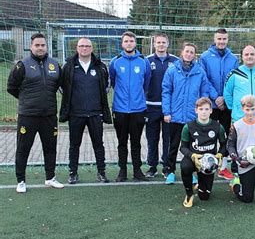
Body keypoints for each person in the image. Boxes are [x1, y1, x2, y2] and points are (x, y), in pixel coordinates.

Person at [7, 33, 64, 193]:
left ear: (46, 47)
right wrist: (26, 99)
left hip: (49, 115)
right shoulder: (22, 65)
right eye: (37, 45)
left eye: (43, 45)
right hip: (28, 116)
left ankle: (50, 178)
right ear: (31, 47)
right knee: (23, 148)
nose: (40, 48)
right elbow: (11, 87)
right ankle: (21, 181)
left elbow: (60, 86)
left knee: (50, 148)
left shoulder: (55, 65)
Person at [59, 37, 112, 184]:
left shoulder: (100, 66)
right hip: (76, 113)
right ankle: (73, 173)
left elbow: (106, 86)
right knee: (74, 144)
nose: (84, 48)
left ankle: (101, 172)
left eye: (87, 46)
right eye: (81, 46)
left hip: (95, 112)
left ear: (91, 48)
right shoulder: (69, 66)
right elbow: (62, 87)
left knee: (98, 144)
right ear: (76, 48)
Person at [162, 42, 214, 185]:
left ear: (194, 55)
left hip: (192, 118)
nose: (189, 54)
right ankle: (170, 171)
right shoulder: (172, 70)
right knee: (173, 145)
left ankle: (191, 173)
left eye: (192, 52)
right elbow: (166, 91)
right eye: (187, 51)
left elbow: (204, 93)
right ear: (182, 52)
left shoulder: (200, 71)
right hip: (175, 116)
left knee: (192, 148)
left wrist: (201, 111)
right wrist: (167, 112)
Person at [109, 31, 151, 182]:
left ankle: (137, 170)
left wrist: (137, 97)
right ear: (122, 44)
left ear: (135, 43)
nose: (129, 43)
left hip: (138, 109)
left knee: (136, 141)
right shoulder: (115, 61)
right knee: (121, 142)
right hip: (120, 109)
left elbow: (146, 82)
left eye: (131, 41)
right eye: (126, 41)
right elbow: (113, 82)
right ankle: (122, 170)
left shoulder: (143, 61)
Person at [200, 28, 239, 180]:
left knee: (225, 136)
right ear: (214, 39)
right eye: (219, 39)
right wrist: (216, 97)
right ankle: (205, 164)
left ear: (227, 40)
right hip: (211, 104)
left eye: (224, 39)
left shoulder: (233, 58)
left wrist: (225, 98)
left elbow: (233, 80)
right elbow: (205, 79)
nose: (221, 41)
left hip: (226, 104)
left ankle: (223, 168)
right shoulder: (204, 57)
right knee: (208, 135)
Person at [180, 97, 227, 208]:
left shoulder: (218, 127)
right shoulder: (188, 127)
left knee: (204, 197)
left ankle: (200, 184)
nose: (204, 112)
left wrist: (220, 154)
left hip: (209, 163)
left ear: (211, 110)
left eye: (206, 109)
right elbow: (182, 148)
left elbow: (225, 145)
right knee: (185, 167)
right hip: (193, 159)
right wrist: (192, 155)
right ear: (196, 110)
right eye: (201, 109)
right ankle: (189, 194)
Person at [145, 33, 179, 178]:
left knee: (168, 138)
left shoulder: (176, 61)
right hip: (151, 106)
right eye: (158, 42)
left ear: (168, 44)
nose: (161, 45)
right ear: (154, 44)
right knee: (152, 138)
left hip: (169, 108)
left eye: (163, 42)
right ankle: (152, 166)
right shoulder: (147, 61)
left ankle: (167, 166)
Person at [224, 45, 255, 122]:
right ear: (242, 57)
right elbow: (227, 93)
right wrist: (235, 108)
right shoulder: (234, 73)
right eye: (246, 54)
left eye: (252, 54)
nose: (249, 56)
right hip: (239, 118)